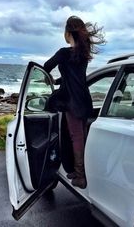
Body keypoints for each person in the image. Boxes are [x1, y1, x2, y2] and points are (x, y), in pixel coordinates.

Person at [43, 15, 106, 189]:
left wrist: (47, 78)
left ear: (68, 32)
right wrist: (57, 81)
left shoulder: (64, 53)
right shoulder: (83, 53)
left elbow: (45, 67)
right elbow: (74, 77)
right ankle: (79, 170)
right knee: (81, 135)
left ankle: (81, 176)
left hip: (72, 102)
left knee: (76, 137)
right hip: (84, 99)